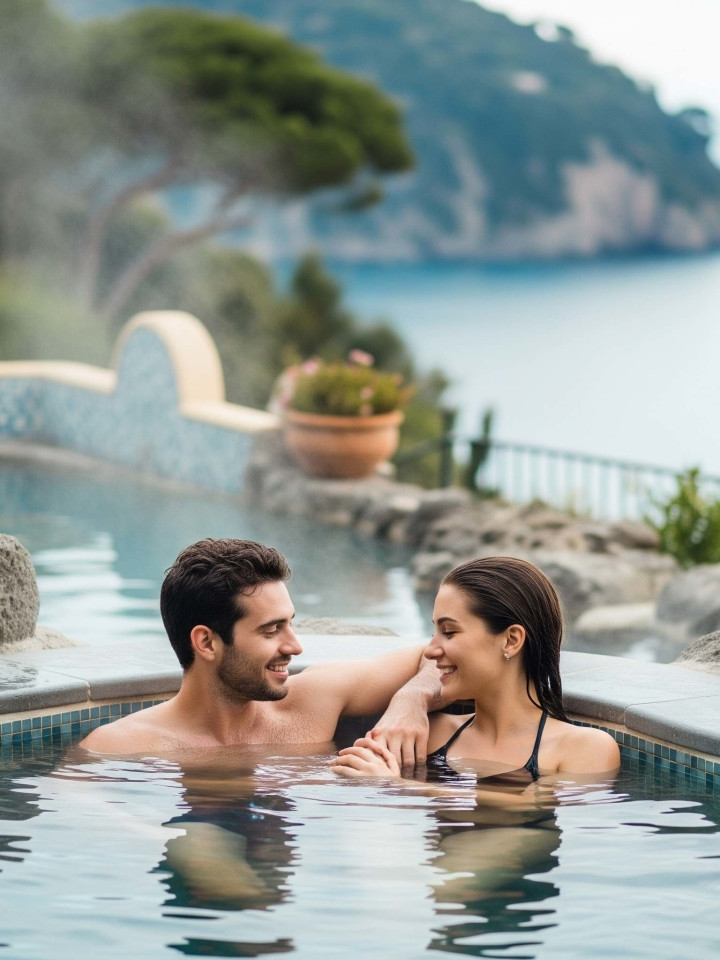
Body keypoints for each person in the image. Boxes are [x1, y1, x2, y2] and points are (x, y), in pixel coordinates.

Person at [80, 538, 441, 761]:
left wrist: (413, 699)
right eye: (271, 630)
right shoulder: (119, 746)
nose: (295, 646)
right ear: (206, 642)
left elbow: (442, 652)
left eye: (290, 623)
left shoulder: (314, 700)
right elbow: (85, 818)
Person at [330, 555, 620, 780]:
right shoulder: (431, 734)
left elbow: (530, 812)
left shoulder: (585, 749)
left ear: (511, 640)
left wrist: (399, 787)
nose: (431, 650)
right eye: (434, 632)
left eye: (450, 632)